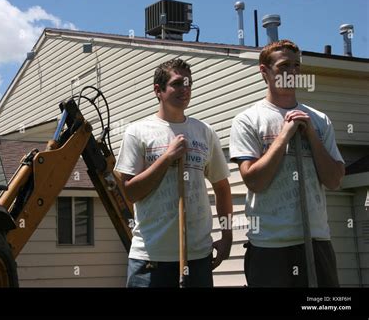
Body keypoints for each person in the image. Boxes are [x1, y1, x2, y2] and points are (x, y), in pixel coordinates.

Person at [229, 39, 345, 287]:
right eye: (283, 66)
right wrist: (284, 135)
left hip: (317, 241)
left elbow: (334, 180)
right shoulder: (248, 120)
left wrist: (312, 135)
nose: (292, 72)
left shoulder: (319, 119)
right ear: (264, 71)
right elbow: (255, 181)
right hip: (271, 245)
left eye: (296, 65)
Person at [115, 58, 233, 287]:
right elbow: (129, 192)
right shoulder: (137, 132)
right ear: (158, 90)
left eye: (188, 83)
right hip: (150, 259)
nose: (185, 89)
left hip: (197, 255)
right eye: (177, 83)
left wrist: (227, 236)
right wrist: (167, 158)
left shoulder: (204, 132)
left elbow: (222, 187)